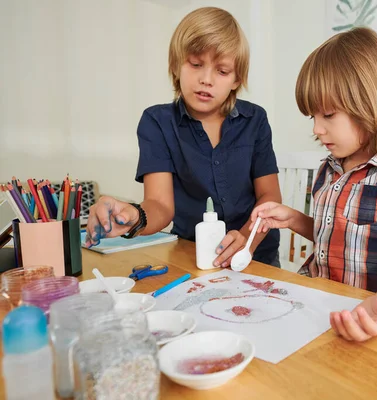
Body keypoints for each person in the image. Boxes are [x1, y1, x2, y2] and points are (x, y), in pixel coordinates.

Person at [251, 27, 377, 341]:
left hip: (372, 321)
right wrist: (295, 219)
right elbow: (337, 237)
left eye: (328, 114)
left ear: (370, 103)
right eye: (312, 116)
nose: (317, 128)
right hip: (319, 307)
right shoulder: (328, 169)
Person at [84, 7, 281, 268]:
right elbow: (160, 206)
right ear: (176, 65)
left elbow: (269, 196)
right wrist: (134, 216)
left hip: (257, 256)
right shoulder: (157, 123)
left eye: (222, 71)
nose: (206, 79)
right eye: (196, 64)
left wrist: (245, 239)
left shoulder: (255, 120)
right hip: (193, 256)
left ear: (236, 79)